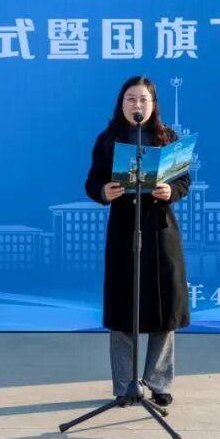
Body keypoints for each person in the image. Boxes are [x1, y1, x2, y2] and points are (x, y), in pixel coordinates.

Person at [84, 76, 191, 408]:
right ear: (121, 104)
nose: (137, 105)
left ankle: (158, 383)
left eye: (144, 99)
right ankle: (124, 385)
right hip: (124, 231)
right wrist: (104, 191)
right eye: (131, 99)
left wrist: (170, 190)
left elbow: (184, 181)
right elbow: (92, 182)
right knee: (123, 310)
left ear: (153, 104)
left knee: (164, 311)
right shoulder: (108, 140)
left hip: (160, 231)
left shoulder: (167, 138)